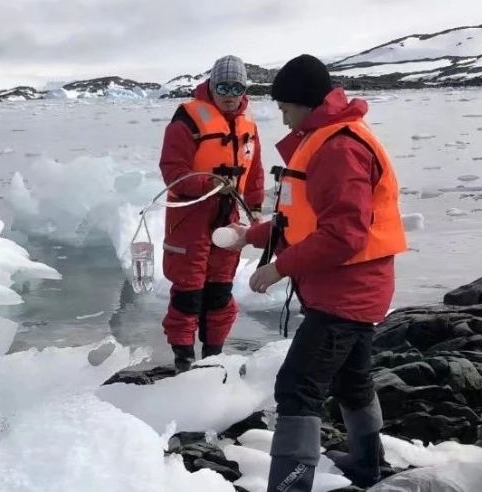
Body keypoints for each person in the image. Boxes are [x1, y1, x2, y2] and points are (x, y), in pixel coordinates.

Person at [225, 54, 408, 490]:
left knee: (297, 388)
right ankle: (368, 466)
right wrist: (249, 235)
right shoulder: (324, 139)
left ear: (305, 102)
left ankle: (290, 485)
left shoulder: (338, 148)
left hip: (347, 293)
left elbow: (344, 234)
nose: (283, 118)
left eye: (285, 107)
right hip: (354, 289)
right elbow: (302, 219)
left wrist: (277, 268)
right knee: (351, 379)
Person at [157, 54, 265, 372]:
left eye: (236, 87)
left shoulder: (248, 127)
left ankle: (214, 357)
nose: (229, 94)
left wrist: (255, 209)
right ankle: (183, 360)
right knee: (188, 292)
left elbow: (255, 172)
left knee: (220, 291)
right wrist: (211, 183)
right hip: (190, 218)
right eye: (223, 86)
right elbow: (172, 171)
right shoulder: (187, 120)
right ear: (211, 85)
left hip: (228, 217)